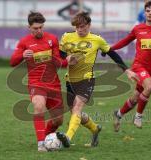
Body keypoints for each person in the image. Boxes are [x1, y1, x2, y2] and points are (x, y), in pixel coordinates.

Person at [56, 11, 138, 148]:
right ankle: (95, 129)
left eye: (83, 26)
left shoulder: (97, 39)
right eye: (77, 27)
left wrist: (127, 70)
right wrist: (66, 58)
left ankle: (67, 137)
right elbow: (59, 53)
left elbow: (112, 53)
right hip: (70, 80)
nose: (80, 30)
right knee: (76, 114)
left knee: (77, 108)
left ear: (89, 25)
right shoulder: (66, 37)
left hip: (87, 80)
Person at [10, 11, 76, 152]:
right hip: (36, 83)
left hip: (53, 84)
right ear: (29, 28)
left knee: (58, 121)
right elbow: (12, 62)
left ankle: (46, 137)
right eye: (35, 28)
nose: (39, 30)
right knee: (38, 107)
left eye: (41, 27)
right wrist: (21, 56)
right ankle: (41, 143)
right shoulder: (24, 42)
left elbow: (58, 62)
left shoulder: (52, 39)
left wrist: (68, 61)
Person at [112, 1, 151, 132]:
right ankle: (138, 116)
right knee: (150, 87)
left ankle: (118, 114)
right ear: (144, 13)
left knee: (135, 99)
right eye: (148, 11)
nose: (150, 13)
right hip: (139, 66)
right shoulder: (138, 29)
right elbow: (125, 41)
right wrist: (110, 49)